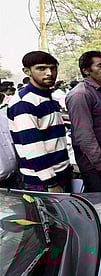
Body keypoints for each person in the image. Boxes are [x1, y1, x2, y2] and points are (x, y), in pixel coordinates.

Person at [7, 51, 71, 192]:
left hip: (61, 173)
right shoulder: (24, 103)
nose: (49, 73)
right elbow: (32, 147)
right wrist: (51, 183)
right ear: (27, 71)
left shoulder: (48, 97)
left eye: (53, 68)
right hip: (43, 181)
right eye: (41, 68)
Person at [66, 51, 101, 193]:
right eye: (100, 66)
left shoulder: (100, 91)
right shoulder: (80, 94)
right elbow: (85, 137)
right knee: (100, 205)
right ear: (85, 70)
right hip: (95, 166)